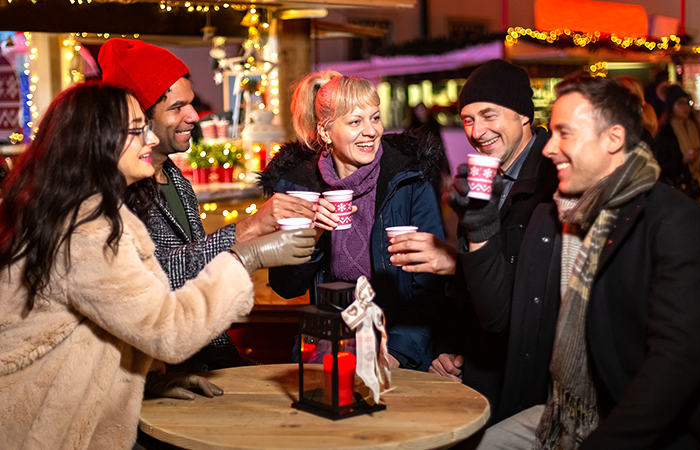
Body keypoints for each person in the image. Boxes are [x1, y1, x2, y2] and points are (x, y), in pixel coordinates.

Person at [0, 82, 315, 450]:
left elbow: (102, 327)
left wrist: (147, 382)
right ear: (96, 142)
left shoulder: (85, 211)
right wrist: (247, 256)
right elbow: (168, 329)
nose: (150, 139)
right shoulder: (85, 230)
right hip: (49, 432)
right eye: (137, 130)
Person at [460, 75, 700, 449]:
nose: (548, 148)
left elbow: (674, 366)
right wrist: (480, 222)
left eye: (565, 133)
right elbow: (500, 314)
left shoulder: (673, 221)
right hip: (560, 413)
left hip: (644, 427)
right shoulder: (555, 217)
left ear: (612, 139)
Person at [98, 39, 316, 385]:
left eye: (191, 103)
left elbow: (198, 282)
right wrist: (246, 236)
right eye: (177, 107)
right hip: (147, 371)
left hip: (201, 353)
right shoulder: (112, 189)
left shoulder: (177, 181)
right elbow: (151, 278)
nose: (193, 116)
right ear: (138, 116)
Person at [389, 59, 558, 425]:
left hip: (531, 384)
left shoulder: (553, 180)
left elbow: (525, 289)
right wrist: (451, 349)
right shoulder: (488, 178)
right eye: (467, 119)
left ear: (522, 115)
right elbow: (478, 293)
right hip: (483, 368)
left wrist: (454, 261)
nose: (477, 130)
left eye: (489, 115)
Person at [258, 71, 448, 370]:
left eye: (375, 118)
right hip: (327, 346)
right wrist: (314, 233)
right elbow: (286, 286)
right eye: (355, 122)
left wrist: (397, 352)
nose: (371, 131)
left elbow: (431, 284)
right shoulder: (299, 186)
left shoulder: (409, 178)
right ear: (325, 132)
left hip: (396, 345)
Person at [654, 84, 700, 207]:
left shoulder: (695, 127)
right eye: (680, 103)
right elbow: (660, 166)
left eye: (687, 103)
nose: (685, 107)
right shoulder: (666, 133)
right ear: (671, 107)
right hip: (680, 189)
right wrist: (682, 160)